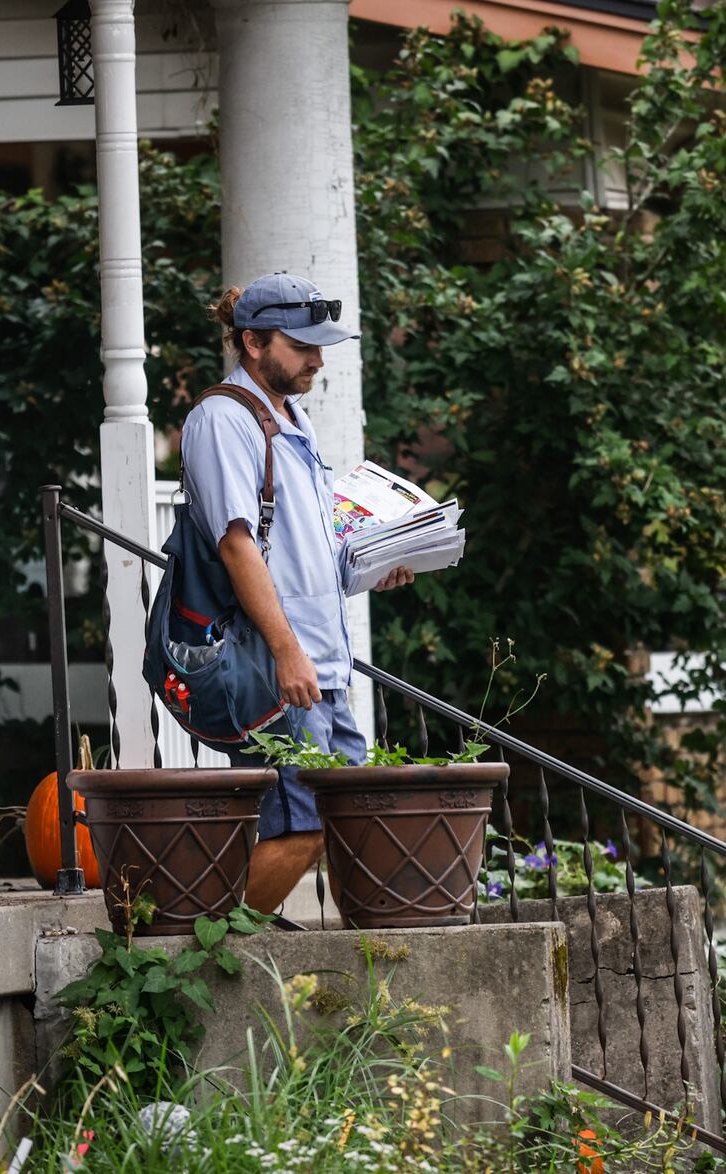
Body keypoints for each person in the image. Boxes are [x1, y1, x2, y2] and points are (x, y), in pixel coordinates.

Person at [180, 272, 413, 911]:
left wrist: (377, 562)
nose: (317, 359)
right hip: (276, 664)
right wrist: (286, 651)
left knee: (354, 817)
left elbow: (306, 548)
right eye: (301, 345)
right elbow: (236, 546)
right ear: (252, 342)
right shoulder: (225, 419)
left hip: (321, 666)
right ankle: (207, 963)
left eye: (320, 346)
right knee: (302, 825)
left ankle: (369, 968)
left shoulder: (290, 417)